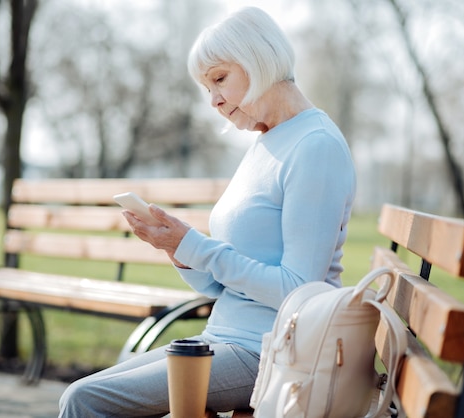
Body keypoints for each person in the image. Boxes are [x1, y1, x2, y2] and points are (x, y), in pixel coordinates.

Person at [58, 6, 356, 417]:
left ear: (259, 61)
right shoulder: (266, 143)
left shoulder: (315, 146)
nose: (214, 100)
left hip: (267, 352)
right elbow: (225, 287)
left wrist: (197, 247)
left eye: (219, 79)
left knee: (87, 402)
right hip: (222, 338)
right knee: (79, 392)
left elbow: (297, 290)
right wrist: (177, 250)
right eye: (206, 86)